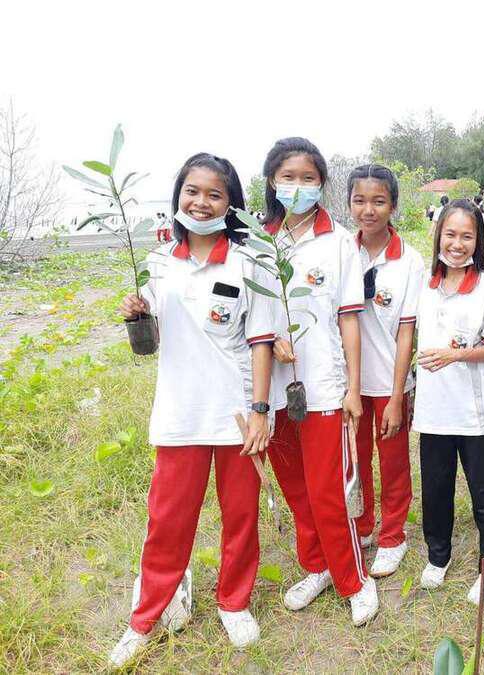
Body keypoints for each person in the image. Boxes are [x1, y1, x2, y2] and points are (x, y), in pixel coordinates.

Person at [110, 153, 276, 667]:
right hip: (180, 413)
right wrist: (137, 312)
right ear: (178, 195)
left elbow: (261, 342)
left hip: (235, 413)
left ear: (231, 203)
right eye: (192, 191)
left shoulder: (249, 263)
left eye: (214, 194)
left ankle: (234, 602)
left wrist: (260, 410)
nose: (201, 202)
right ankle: (145, 617)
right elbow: (151, 339)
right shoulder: (159, 262)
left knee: (241, 516)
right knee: (167, 520)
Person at [260, 137, 378, 626]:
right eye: (288, 177)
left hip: (324, 384)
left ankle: (354, 579)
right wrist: (271, 340)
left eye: (308, 178)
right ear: (272, 181)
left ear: (322, 184)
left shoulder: (339, 242)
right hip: (273, 388)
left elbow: (349, 318)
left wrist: (353, 387)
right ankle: (316, 566)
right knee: (294, 486)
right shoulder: (258, 242)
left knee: (327, 488)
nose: (298, 186)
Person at [413, 199, 484, 606]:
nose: (457, 244)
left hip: (477, 413)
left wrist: (454, 355)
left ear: (478, 241)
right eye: (450, 234)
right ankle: (438, 556)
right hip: (434, 410)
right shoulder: (425, 284)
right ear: (438, 235)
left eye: (467, 236)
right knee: (435, 490)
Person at [348, 164, 424, 577]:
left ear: (393, 205)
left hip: (390, 382)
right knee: (355, 459)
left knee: (393, 462)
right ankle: (362, 526)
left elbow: (406, 333)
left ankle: (393, 535)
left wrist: (397, 396)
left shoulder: (409, 261)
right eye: (359, 200)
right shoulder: (342, 252)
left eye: (378, 201)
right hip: (349, 383)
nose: (368, 210)